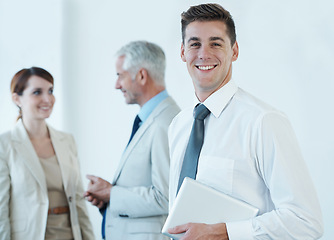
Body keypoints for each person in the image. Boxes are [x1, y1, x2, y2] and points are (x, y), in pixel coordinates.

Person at [167, 3, 323, 240]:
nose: (203, 54)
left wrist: (225, 232)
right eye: (195, 44)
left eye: (216, 43)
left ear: (235, 51)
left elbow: (305, 221)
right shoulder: (178, 125)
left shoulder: (263, 122)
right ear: (182, 52)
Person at [84, 41, 180, 240]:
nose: (117, 84)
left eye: (120, 75)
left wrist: (112, 193)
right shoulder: (151, 118)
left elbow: (166, 197)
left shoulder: (165, 123)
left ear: (142, 76)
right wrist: (108, 198)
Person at [0, 67, 95, 240]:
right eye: (37, 92)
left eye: (50, 91)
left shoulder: (67, 141)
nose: (47, 99)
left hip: (70, 235)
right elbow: (1, 210)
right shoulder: (5, 144)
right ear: (17, 99)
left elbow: (79, 200)